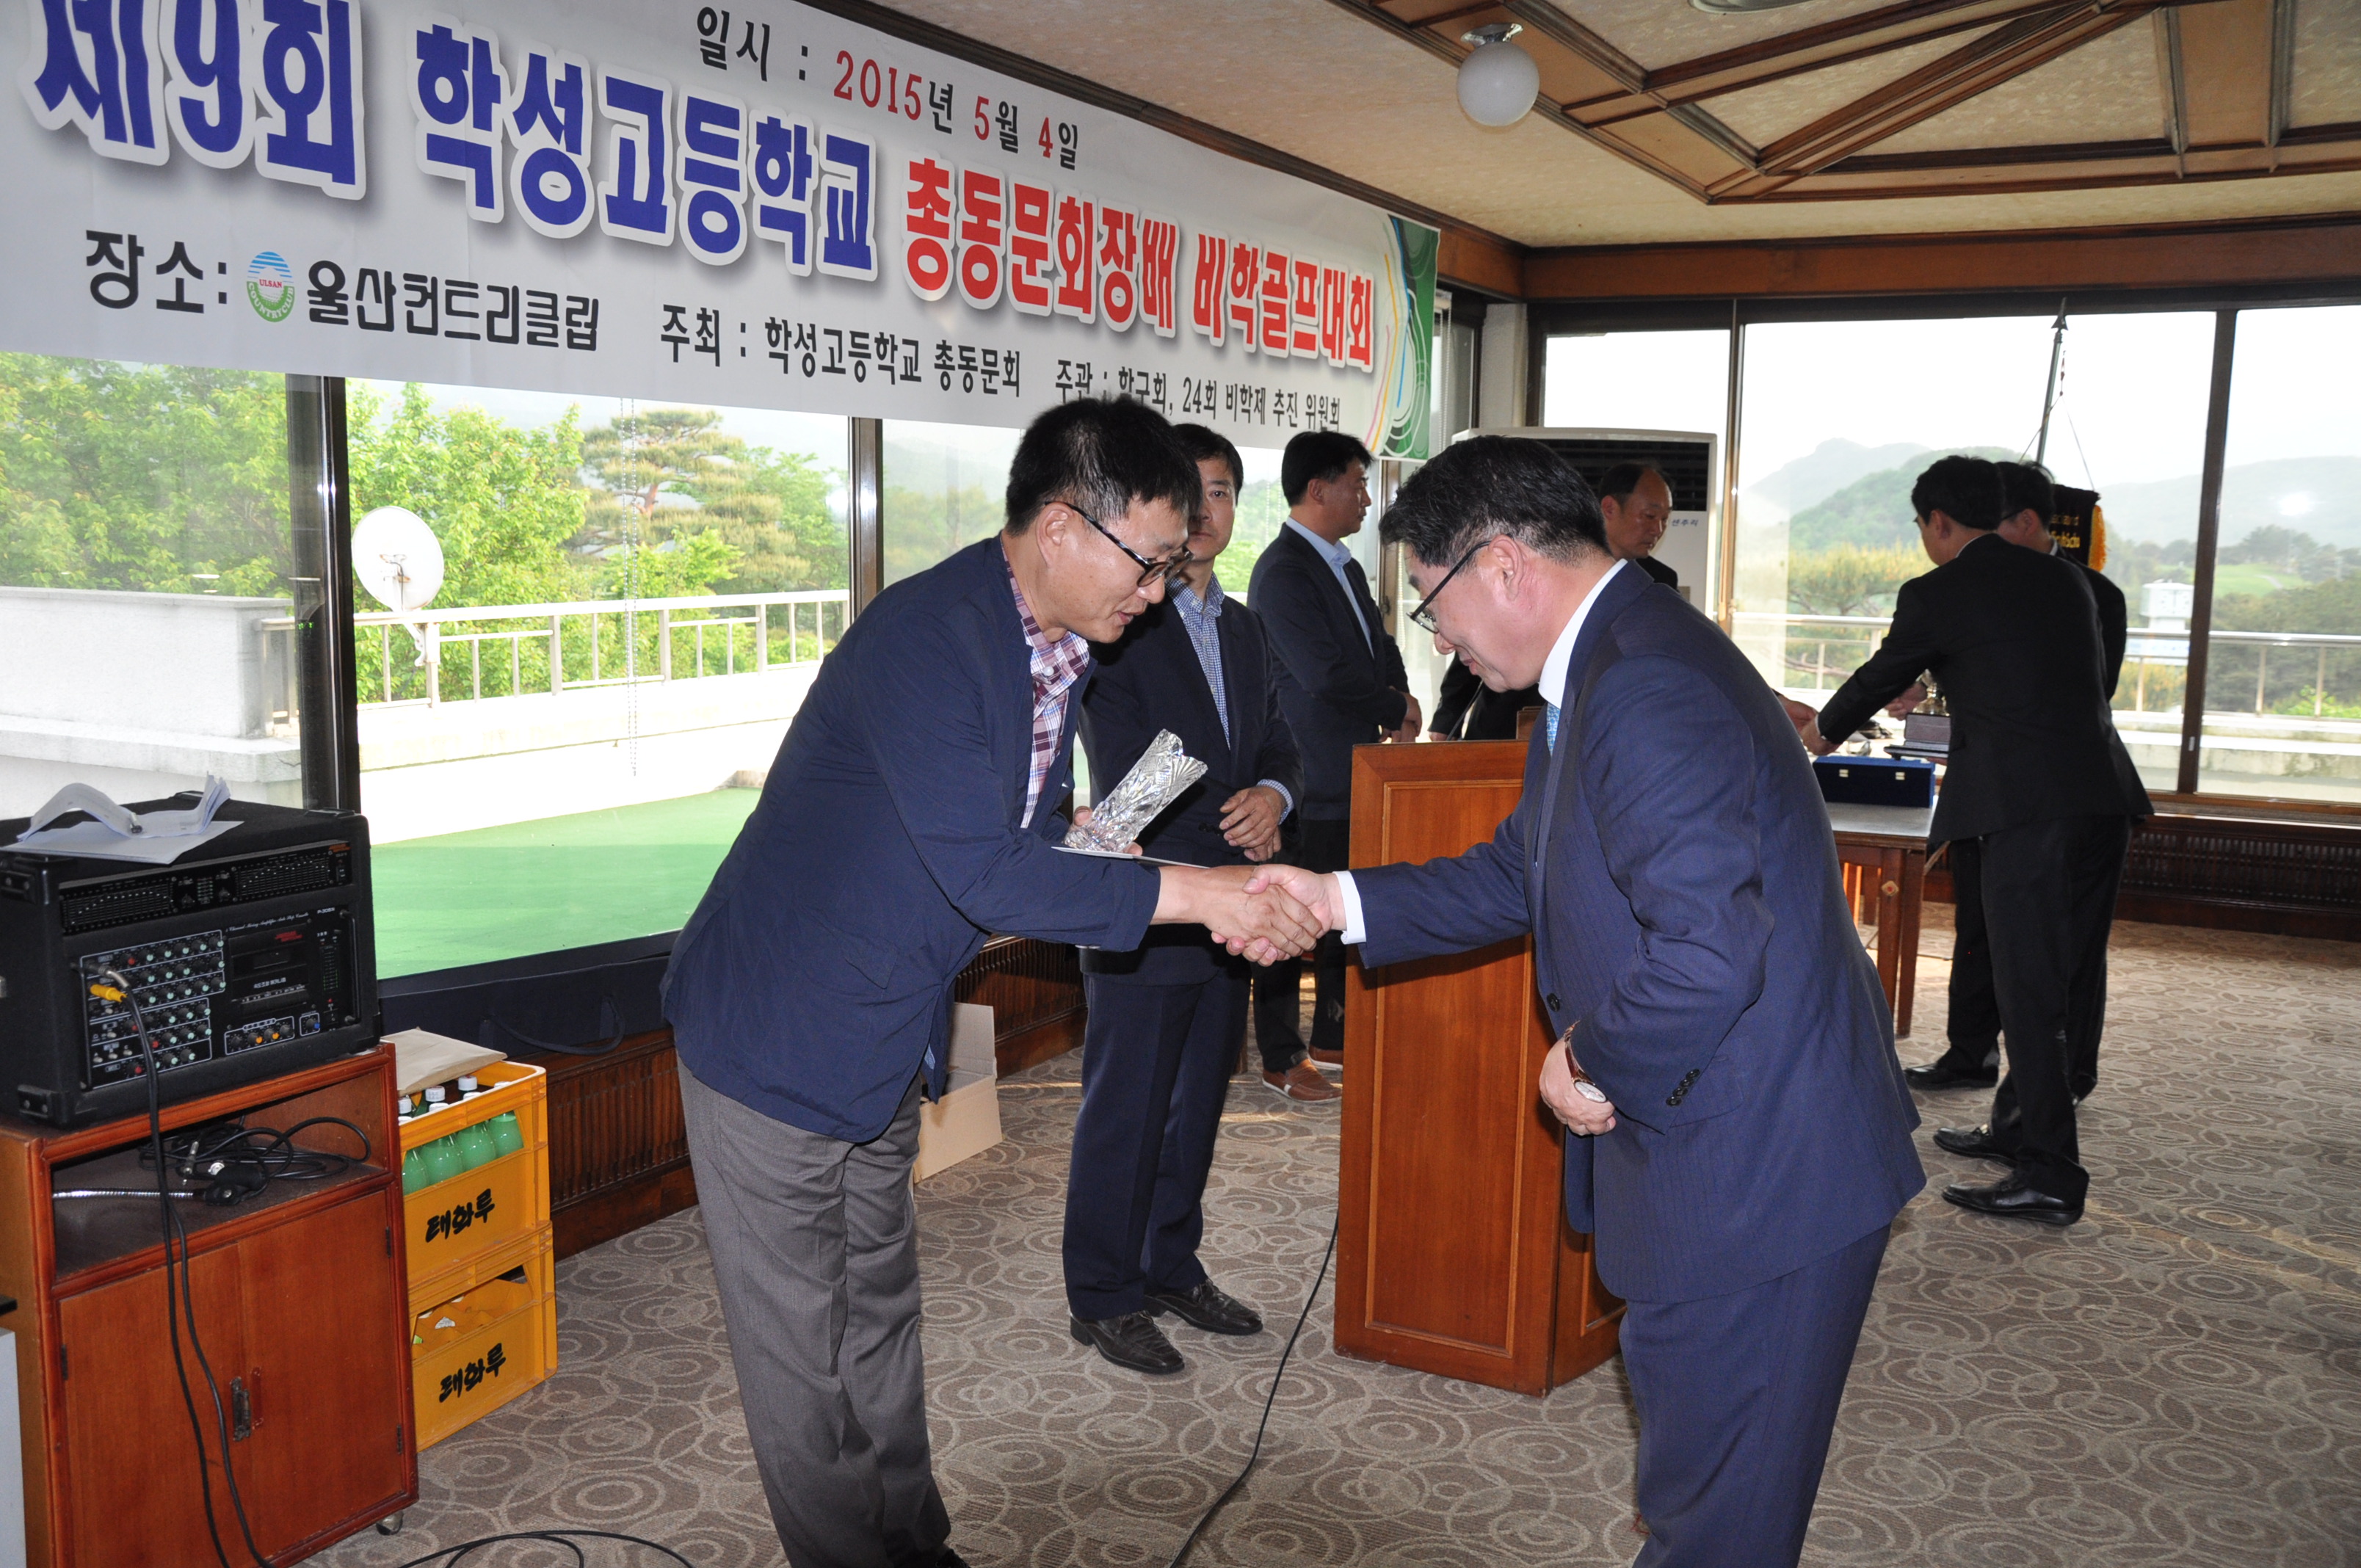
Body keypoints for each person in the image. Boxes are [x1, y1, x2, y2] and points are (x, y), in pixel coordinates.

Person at [661, 398, 1323, 1568]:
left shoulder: (1053, 645)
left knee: (880, 1308)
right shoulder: (929, 636)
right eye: (1149, 560)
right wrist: (1205, 894)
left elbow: (1001, 830)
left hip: (884, 1027)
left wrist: (1095, 841)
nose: (1159, 589)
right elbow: (984, 873)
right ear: (1062, 527)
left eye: (1173, 564)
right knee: (803, 1353)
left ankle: (913, 1540)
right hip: (776, 1034)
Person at [1250, 436, 1925, 1568]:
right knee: (1702, 1482)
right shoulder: (1611, 659)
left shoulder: (1642, 685)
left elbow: (1710, 950)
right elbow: (1522, 867)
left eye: (1433, 604)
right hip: (1738, 1145)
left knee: (1720, 1517)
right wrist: (1336, 899)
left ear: (1503, 566)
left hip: (1759, 1171)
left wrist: (1589, 1059)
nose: (1440, 639)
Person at [1789, 454, 2150, 1228]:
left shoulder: (1937, 591)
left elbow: (1880, 674)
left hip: (2027, 813)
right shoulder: (2067, 581)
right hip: (2103, 799)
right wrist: (1934, 674)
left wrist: (1813, 739)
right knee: (2065, 978)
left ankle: (2051, 1174)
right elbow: (2026, 674)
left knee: (2028, 990)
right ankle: (2020, 1132)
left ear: (1938, 522)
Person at [1062, 422, 1314, 1377]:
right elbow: (1135, 772)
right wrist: (1237, 818)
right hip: (1148, 895)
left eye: (1222, 493)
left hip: (1234, 904)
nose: (1207, 511)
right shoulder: (1123, 616)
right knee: (1126, 1107)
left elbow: (1279, 741)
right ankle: (1103, 1294)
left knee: (1201, 1097)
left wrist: (1275, 797)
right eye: (1191, 492)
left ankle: (1170, 1264)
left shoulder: (1244, 627)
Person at [1248, 430, 1418, 1067]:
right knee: (1287, 917)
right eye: (1358, 484)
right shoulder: (1283, 571)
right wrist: (1392, 707)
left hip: (1354, 770)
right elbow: (1323, 675)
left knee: (1340, 911)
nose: (1368, 499)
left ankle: (1333, 1037)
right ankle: (1281, 1055)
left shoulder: (1343, 563)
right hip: (1309, 776)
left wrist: (1401, 693)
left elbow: (1380, 644)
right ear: (1319, 490)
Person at [1597, 461, 1679, 589]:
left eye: (1664, 519)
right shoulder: (1570, 565)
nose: (1658, 530)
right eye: (1650, 516)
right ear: (1610, 508)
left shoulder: (1661, 580)